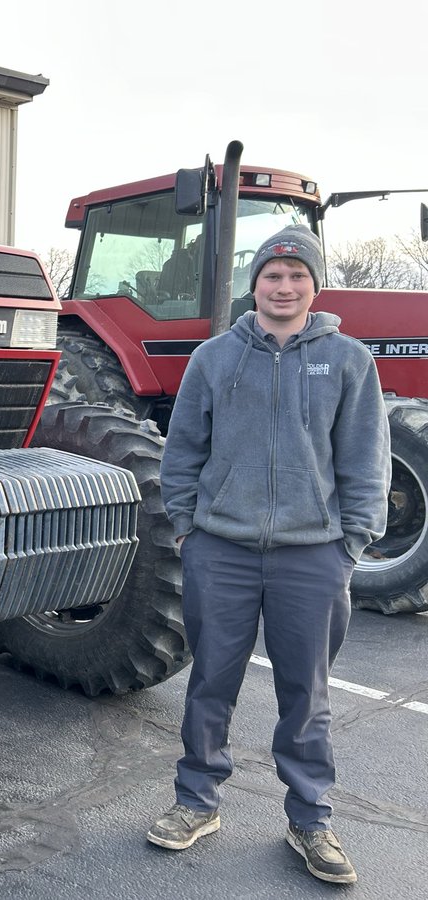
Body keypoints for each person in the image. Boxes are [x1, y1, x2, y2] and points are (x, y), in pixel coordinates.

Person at [149, 224, 390, 885]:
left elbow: (367, 459)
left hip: (313, 557)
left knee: (305, 693)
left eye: (297, 276)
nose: (284, 287)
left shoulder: (347, 361)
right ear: (254, 285)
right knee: (210, 682)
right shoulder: (214, 359)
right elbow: (182, 453)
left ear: (315, 286)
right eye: (272, 276)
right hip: (219, 550)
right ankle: (196, 800)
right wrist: (188, 530)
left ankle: (310, 818)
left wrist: (351, 543)